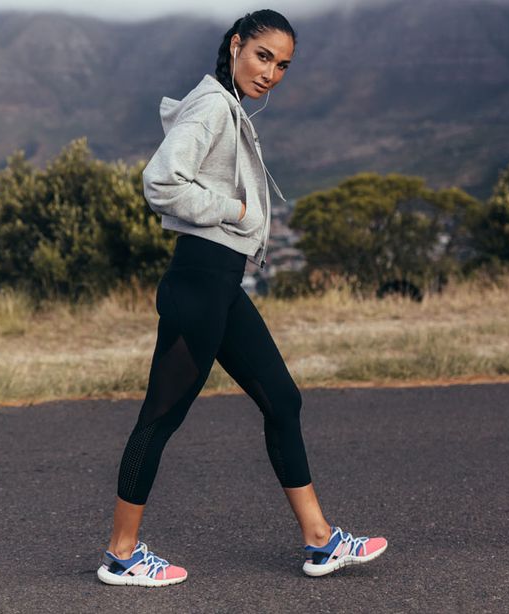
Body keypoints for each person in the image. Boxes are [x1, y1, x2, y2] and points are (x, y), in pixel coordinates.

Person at [96, 10, 388, 588]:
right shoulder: (210, 105)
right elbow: (160, 181)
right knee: (158, 419)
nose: (272, 73)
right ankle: (121, 553)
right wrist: (233, 211)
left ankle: (320, 540)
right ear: (235, 46)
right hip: (198, 286)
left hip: (221, 288)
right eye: (262, 56)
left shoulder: (228, 104)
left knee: (282, 399)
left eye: (282, 65)